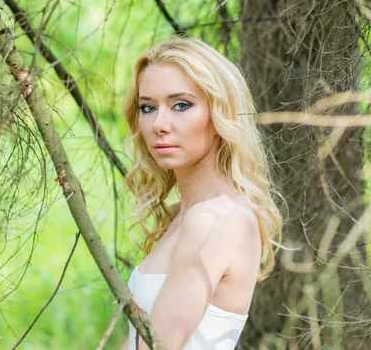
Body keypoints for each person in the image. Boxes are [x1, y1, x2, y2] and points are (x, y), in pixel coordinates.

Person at [120, 36, 282, 350]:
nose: (159, 124)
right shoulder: (181, 214)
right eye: (148, 107)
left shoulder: (216, 220)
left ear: (220, 112)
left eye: (181, 105)